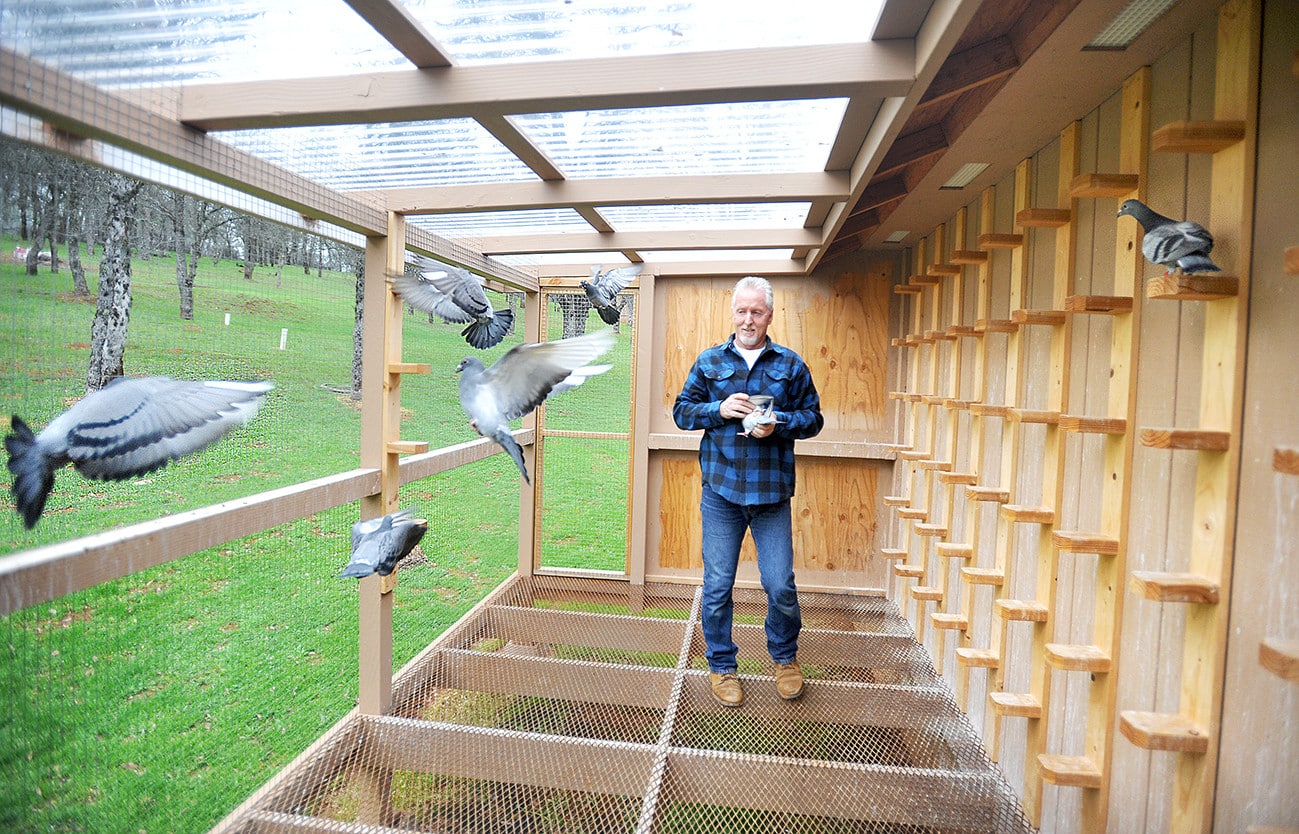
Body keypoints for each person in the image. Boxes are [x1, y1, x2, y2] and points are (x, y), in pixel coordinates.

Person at [672, 275, 824, 707]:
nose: (748, 319)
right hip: (722, 493)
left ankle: (785, 658)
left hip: (771, 494)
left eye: (757, 311)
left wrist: (782, 425)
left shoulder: (790, 365)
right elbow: (682, 412)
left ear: (770, 316)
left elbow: (814, 418)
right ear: (733, 313)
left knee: (780, 586)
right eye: (742, 310)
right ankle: (722, 665)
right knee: (718, 585)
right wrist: (717, 410)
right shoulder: (709, 361)